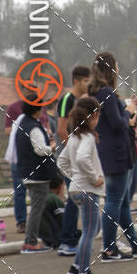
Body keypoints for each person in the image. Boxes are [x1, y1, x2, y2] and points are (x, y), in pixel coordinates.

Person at [87, 52, 137, 261]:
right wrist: (128, 112)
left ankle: (135, 244)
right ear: (111, 69)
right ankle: (109, 248)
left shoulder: (96, 93)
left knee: (121, 201)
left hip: (108, 151)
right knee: (115, 200)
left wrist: (126, 109)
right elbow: (116, 122)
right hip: (116, 152)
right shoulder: (106, 92)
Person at [58, 96, 109, 274]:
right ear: (94, 116)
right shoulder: (87, 137)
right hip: (87, 189)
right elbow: (81, 159)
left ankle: (76, 266)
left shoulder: (74, 137)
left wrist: (74, 177)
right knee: (89, 232)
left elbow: (62, 162)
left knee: (93, 228)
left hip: (76, 189)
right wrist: (93, 178)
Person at [15, 101, 61, 253]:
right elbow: (41, 150)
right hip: (38, 175)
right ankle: (31, 242)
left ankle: (29, 241)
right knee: (37, 209)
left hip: (28, 173)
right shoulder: (34, 127)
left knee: (35, 208)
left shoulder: (22, 124)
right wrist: (53, 147)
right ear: (36, 109)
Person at [55, 65, 91, 257]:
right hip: (69, 157)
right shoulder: (67, 99)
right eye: (86, 81)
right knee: (74, 198)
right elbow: (61, 129)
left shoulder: (79, 101)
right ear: (76, 81)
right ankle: (67, 241)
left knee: (77, 198)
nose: (88, 84)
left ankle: (71, 237)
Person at [4, 111, 26, 232]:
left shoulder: (41, 109)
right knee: (20, 191)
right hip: (17, 158)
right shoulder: (14, 108)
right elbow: (7, 131)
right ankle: (21, 222)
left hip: (33, 159)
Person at [39, 178, 66, 248]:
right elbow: (63, 220)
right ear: (60, 186)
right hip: (51, 238)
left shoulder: (41, 196)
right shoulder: (54, 199)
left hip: (39, 236)